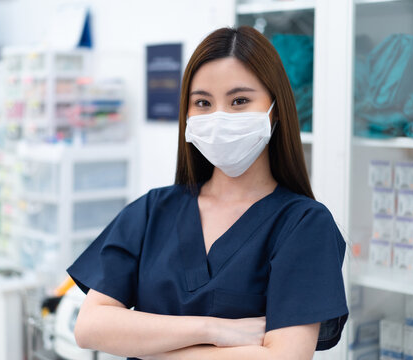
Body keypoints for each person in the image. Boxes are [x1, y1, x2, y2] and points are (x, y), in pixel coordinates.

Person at [67, 25, 348, 360]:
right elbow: (90, 327)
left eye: (240, 100)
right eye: (202, 102)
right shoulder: (152, 210)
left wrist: (146, 348)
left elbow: (284, 358)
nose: (219, 118)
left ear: (276, 110)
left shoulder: (303, 224)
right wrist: (212, 330)